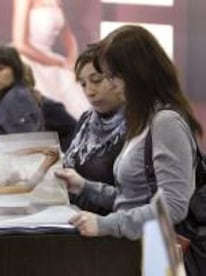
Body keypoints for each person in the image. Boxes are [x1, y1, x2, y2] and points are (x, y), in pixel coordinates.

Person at [55, 25, 202, 240]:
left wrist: (107, 224)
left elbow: (173, 205)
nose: (111, 85)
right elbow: (131, 199)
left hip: (152, 252)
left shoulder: (166, 122)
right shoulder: (143, 121)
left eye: (113, 76)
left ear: (136, 73)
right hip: (132, 247)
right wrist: (85, 187)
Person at [62, 44, 126, 214]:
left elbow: (141, 202)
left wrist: (85, 187)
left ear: (119, 78)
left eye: (97, 80)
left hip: (118, 231)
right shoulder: (86, 120)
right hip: (78, 222)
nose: (89, 91)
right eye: (83, 84)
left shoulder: (140, 124)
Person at [12, 0, 90, 119]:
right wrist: (55, 62)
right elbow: (20, 44)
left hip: (52, 59)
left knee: (76, 100)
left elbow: (67, 34)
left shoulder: (57, 2)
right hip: (29, 58)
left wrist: (72, 60)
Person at [0, 45, 44, 136]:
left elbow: (24, 142)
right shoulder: (7, 97)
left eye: (0, 69)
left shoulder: (17, 97)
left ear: (15, 70)